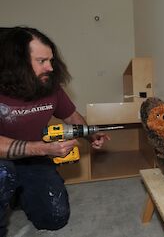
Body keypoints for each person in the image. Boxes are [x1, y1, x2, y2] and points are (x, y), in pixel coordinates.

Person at [0, 26, 110, 236]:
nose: (50, 67)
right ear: (16, 63)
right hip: (2, 162)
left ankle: (19, 196)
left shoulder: (50, 88)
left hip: (34, 162)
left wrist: (90, 133)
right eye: (42, 61)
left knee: (55, 218)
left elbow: (72, 117)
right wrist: (42, 149)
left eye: (51, 60)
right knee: (3, 174)